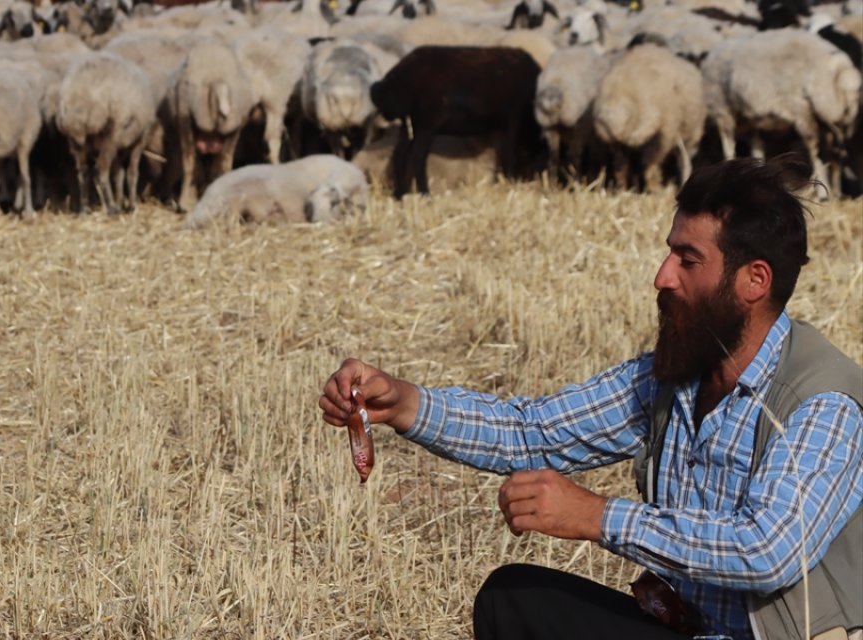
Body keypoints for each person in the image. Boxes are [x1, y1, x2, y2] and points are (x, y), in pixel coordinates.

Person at [318, 154, 862, 640]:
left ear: (754, 281)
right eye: (668, 252)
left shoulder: (822, 401)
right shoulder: (670, 379)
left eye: (687, 260)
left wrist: (599, 517)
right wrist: (406, 404)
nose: (662, 276)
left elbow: (765, 550)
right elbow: (532, 432)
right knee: (512, 600)